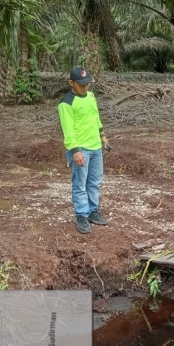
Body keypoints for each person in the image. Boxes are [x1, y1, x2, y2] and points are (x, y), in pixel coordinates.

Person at [58, 66, 110, 234]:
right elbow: (68, 129)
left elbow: (95, 117)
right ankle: (81, 214)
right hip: (80, 149)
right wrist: (75, 151)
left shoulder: (91, 96)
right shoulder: (66, 103)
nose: (85, 87)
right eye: (81, 85)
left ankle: (93, 211)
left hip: (95, 146)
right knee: (80, 183)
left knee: (95, 181)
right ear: (71, 83)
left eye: (87, 84)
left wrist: (102, 136)